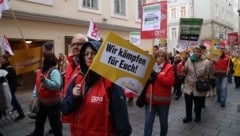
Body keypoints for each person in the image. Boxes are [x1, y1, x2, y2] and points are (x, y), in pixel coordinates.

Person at [60, 41, 132, 136]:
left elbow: (123, 125)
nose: (89, 56)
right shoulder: (77, 80)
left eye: (94, 53)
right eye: (86, 54)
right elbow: (65, 109)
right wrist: (73, 97)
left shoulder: (111, 84)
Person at [26, 51, 63, 136]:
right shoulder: (40, 70)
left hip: (52, 104)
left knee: (55, 124)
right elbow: (37, 84)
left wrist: (46, 81)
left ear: (47, 59)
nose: (41, 59)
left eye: (42, 57)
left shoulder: (54, 71)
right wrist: (34, 96)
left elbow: (57, 85)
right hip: (41, 102)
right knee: (39, 121)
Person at [143, 50, 175, 136]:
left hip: (163, 101)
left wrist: (157, 76)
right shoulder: (150, 66)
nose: (160, 58)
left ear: (165, 58)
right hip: (150, 100)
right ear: (155, 57)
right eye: (158, 56)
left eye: (162, 56)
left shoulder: (169, 67)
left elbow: (170, 82)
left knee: (163, 123)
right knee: (148, 122)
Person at [182, 47, 214, 123]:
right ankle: (188, 116)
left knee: (198, 104)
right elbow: (185, 71)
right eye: (194, 51)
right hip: (188, 85)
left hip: (199, 85)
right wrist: (183, 68)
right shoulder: (189, 60)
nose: (196, 53)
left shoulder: (206, 61)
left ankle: (198, 116)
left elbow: (211, 72)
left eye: (198, 51)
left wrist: (212, 79)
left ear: (201, 52)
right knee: (188, 103)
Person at [61, 33, 88, 123]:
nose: (75, 46)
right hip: (71, 109)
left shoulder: (89, 65)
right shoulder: (70, 64)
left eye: (79, 44)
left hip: (84, 113)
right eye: (73, 44)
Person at [0, 55, 25, 121]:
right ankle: (20, 113)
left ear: (6, 59)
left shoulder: (9, 67)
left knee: (11, 100)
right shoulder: (3, 67)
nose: (1, 60)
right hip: (6, 86)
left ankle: (21, 114)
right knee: (10, 100)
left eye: (2, 59)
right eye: (0, 59)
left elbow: (8, 76)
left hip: (11, 86)